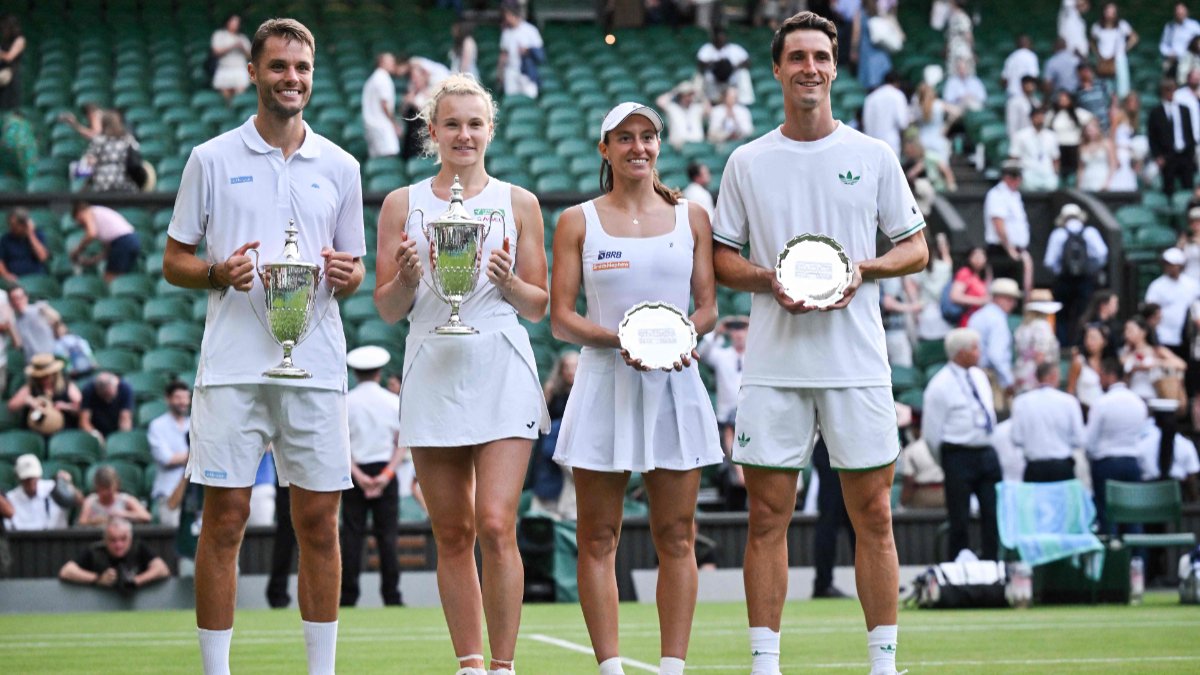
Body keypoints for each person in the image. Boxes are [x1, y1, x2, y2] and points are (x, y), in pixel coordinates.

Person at [711, 13, 928, 675]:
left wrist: (864, 268)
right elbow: (722, 259)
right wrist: (767, 279)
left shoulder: (873, 155)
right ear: (776, 69)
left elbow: (915, 248)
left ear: (835, 67)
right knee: (766, 515)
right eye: (797, 57)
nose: (810, 68)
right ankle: (765, 664)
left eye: (821, 57)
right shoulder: (747, 160)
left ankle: (884, 663)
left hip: (856, 363)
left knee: (875, 514)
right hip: (774, 365)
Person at [162, 18, 365, 675]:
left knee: (319, 525)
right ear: (252, 72)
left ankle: (321, 671)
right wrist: (218, 272)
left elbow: (354, 269)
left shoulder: (342, 165)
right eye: (279, 67)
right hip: (232, 369)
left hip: (316, 367)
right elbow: (174, 260)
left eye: (301, 68)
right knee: (224, 521)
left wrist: (348, 275)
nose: (292, 79)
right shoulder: (210, 158)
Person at [373, 73, 547, 675]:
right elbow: (388, 308)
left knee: (497, 524)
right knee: (452, 531)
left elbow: (538, 303)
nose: (464, 134)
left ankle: (504, 664)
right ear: (433, 132)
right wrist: (407, 278)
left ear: (490, 130)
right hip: (431, 365)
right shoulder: (402, 204)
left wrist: (508, 282)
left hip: (501, 366)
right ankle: (469, 663)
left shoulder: (519, 202)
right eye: (452, 124)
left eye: (475, 124)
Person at [549, 100, 723, 675]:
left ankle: (672, 667)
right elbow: (560, 319)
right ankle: (610, 668)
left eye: (648, 137)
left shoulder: (693, 216)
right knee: (598, 537)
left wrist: (675, 338)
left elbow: (707, 308)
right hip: (603, 383)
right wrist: (617, 341)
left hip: (675, 384)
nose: (638, 148)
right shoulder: (577, 220)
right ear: (605, 149)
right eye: (624, 138)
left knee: (677, 535)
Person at [921, 328, 1001, 561]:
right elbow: (931, 433)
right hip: (958, 454)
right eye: (974, 348)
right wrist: (946, 460)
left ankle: (991, 566)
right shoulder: (940, 385)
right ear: (960, 353)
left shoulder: (980, 377)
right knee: (959, 519)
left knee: (992, 515)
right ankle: (957, 571)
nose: (979, 352)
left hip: (985, 452)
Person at [340, 345, 404, 608]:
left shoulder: (345, 402)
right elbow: (402, 442)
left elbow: (341, 443)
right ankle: (392, 597)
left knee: (352, 538)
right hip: (385, 471)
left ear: (355, 373)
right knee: (387, 537)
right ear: (379, 372)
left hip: (354, 471)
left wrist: (357, 475)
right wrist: (386, 475)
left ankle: (348, 597)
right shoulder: (393, 401)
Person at [1085, 358, 1148, 533]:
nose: (1099, 381)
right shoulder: (1138, 402)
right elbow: (1142, 434)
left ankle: (1112, 559)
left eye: (1101, 376)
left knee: (1106, 515)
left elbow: (1089, 440)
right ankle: (1138, 558)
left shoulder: (1102, 403)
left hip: (1106, 464)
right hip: (1131, 462)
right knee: (1133, 514)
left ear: (1110, 376)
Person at [1045, 203, 1107, 347]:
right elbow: (1102, 255)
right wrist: (1090, 269)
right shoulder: (1090, 232)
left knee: (1062, 316)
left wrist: (1061, 271)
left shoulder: (1058, 234)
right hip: (1085, 281)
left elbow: (1049, 262)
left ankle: (1063, 344)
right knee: (1084, 314)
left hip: (1064, 281)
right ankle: (1081, 344)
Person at [1011, 362, 1085, 482]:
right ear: (1054, 376)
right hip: (1062, 467)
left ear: (1036, 377)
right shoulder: (1069, 402)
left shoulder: (1021, 403)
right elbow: (1079, 439)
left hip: (1034, 468)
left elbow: (1016, 438)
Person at [59, 518, 170, 592]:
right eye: (113, 540)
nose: (118, 545)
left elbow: (162, 569)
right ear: (105, 540)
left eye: (123, 539)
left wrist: (136, 580)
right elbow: (66, 571)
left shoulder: (139, 547)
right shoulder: (95, 550)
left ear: (130, 539)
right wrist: (97, 578)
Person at [530, 350, 578, 520]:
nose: (571, 371)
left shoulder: (582, 391)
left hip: (573, 444)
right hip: (551, 444)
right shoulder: (552, 389)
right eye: (568, 367)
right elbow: (542, 417)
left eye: (575, 367)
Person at [967, 278, 1021, 413]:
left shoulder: (977, 315)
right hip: (991, 377)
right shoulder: (997, 320)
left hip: (975, 374)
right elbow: (996, 355)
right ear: (997, 298)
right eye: (1009, 299)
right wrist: (1008, 381)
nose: (1013, 303)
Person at [810, 437, 854, 598]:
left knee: (858, 524)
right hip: (833, 448)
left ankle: (876, 581)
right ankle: (823, 584)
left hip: (850, 447)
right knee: (829, 520)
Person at [982, 160, 1033, 291]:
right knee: (1004, 290)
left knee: (1018, 291)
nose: (1019, 181)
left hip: (1017, 251)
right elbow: (998, 223)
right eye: (1016, 177)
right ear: (1007, 177)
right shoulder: (997, 194)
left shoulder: (1015, 195)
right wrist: (1010, 249)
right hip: (1002, 251)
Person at [147, 381, 191, 528]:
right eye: (178, 398)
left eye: (186, 398)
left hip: (193, 493)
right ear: (168, 399)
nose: (183, 402)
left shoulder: (194, 423)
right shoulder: (157, 425)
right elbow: (166, 459)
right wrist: (194, 456)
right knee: (171, 535)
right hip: (168, 490)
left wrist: (182, 458)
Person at [7, 352, 81, 434]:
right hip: (36, 431)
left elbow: (82, 408)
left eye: (46, 376)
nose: (43, 380)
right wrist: (27, 401)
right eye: (40, 377)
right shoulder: (30, 387)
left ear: (54, 374)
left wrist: (67, 407)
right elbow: (11, 406)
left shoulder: (67, 385)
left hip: (63, 430)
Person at [68, 201, 142, 283]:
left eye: (78, 219)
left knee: (109, 280)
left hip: (123, 242)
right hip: (133, 241)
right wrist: (92, 261)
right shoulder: (101, 219)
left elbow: (91, 234)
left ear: (79, 213)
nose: (80, 223)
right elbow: (108, 251)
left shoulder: (88, 212)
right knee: (120, 280)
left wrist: (77, 251)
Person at [1145, 247, 1200, 355]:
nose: (1169, 267)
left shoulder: (1192, 284)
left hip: (1188, 336)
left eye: (1172, 264)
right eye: (1166, 264)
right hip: (1164, 335)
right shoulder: (1157, 286)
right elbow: (1150, 310)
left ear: (1180, 265)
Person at [3, 454, 80, 530]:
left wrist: (67, 485)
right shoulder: (10, 498)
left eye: (33, 478)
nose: (30, 482)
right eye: (26, 479)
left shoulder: (54, 487)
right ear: (18, 478)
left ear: (39, 476)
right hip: (23, 540)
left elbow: (80, 501)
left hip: (56, 538)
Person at [1149, 78, 1198, 196]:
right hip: (1167, 156)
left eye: (1172, 90)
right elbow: (1152, 137)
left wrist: (1191, 152)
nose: (1170, 93)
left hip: (1185, 154)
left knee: (1188, 186)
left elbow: (1189, 133)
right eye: (1167, 90)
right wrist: (1158, 156)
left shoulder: (1184, 110)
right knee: (1168, 188)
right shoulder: (1156, 113)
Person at [1121, 315, 1186, 401]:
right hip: (1132, 395)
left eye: (1131, 330)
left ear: (1143, 332)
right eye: (1126, 330)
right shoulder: (1125, 352)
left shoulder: (1157, 351)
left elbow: (1181, 364)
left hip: (1154, 395)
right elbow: (1124, 365)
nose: (1127, 334)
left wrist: (1157, 363)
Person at [80, 111, 142, 193]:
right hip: (124, 187)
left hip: (102, 186)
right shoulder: (128, 139)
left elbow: (88, 163)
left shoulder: (98, 140)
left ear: (103, 124)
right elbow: (137, 157)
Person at [496, 1, 544, 99]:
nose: (506, 18)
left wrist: (527, 51)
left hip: (527, 71)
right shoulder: (506, 33)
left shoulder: (530, 30)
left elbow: (540, 54)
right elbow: (504, 53)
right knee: (511, 98)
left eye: (508, 14)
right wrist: (500, 72)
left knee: (529, 98)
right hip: (511, 71)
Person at [77, 465, 152, 527]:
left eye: (109, 490)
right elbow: (81, 522)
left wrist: (123, 514)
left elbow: (146, 517)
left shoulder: (125, 499)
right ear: (97, 487)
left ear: (116, 486)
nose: (106, 493)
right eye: (103, 489)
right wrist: (94, 521)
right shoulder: (91, 501)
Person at [1091, 2, 1138, 99]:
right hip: (1103, 60)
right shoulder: (1097, 27)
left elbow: (1134, 37)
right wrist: (1097, 54)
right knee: (1105, 87)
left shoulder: (1122, 25)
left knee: (1122, 88)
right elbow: (1092, 41)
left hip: (1118, 59)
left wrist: (1124, 49)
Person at [697, 26, 754, 105]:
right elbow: (701, 64)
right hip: (714, 77)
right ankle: (712, 99)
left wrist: (733, 67)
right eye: (718, 37)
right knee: (705, 75)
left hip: (731, 76)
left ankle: (744, 101)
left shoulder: (735, 48)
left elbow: (747, 62)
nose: (721, 39)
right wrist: (717, 64)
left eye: (723, 37)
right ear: (714, 38)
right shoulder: (707, 48)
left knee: (743, 73)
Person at [362, 53, 402, 159]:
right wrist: (394, 124)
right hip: (382, 125)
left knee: (377, 159)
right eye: (391, 61)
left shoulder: (373, 78)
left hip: (372, 125)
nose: (394, 64)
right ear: (382, 63)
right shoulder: (383, 78)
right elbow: (384, 104)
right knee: (389, 157)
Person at [1011, 106, 1061, 191]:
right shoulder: (1021, 135)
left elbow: (1055, 158)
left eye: (1042, 117)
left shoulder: (1051, 136)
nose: (1040, 119)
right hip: (1028, 173)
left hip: (1047, 174)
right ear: (1031, 118)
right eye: (1038, 116)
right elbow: (1014, 157)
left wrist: (1056, 174)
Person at [861, 70, 909, 157]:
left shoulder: (871, 97)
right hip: (891, 143)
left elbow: (866, 122)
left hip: (872, 143)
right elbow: (902, 123)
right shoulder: (898, 95)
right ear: (897, 83)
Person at [7, 285, 58, 362]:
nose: (17, 302)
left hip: (51, 356)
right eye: (13, 300)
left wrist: (46, 309)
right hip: (33, 362)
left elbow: (56, 319)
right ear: (10, 303)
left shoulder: (39, 309)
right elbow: (18, 345)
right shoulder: (14, 322)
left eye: (20, 298)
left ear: (26, 297)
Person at [79, 371, 134, 440]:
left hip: (116, 428)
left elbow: (125, 419)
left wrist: (122, 439)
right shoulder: (88, 390)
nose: (108, 400)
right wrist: (95, 435)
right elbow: (84, 421)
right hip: (97, 428)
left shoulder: (125, 388)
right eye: (105, 396)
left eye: (110, 395)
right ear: (97, 389)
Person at [210, 14, 252, 103]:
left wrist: (242, 48)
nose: (235, 24)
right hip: (224, 68)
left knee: (240, 98)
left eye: (237, 22)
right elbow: (216, 52)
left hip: (239, 69)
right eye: (233, 21)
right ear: (227, 22)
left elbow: (250, 56)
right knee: (226, 99)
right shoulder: (219, 35)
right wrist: (232, 46)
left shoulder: (242, 38)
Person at [1066, 322, 1108, 414]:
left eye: (1094, 338)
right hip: (1084, 412)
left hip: (1104, 413)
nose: (1090, 342)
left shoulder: (1108, 364)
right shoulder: (1078, 362)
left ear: (1104, 341)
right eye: (1087, 337)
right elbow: (1070, 390)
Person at [0, 207, 49, 282]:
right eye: (10, 225)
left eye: (15, 225)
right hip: (14, 280)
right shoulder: (5, 239)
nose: (12, 228)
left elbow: (42, 257)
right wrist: (6, 275)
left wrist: (31, 234)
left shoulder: (38, 235)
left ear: (24, 224)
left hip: (36, 279)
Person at [656, 81, 708, 150]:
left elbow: (708, 109)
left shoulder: (696, 108)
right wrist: (676, 91)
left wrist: (699, 93)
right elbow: (660, 101)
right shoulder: (673, 108)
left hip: (698, 144)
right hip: (679, 145)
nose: (688, 98)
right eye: (686, 95)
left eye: (691, 95)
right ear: (680, 96)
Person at [1160, 2, 1200, 78]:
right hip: (1174, 59)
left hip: (1190, 60)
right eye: (1178, 12)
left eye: (1181, 12)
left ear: (1186, 12)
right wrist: (1169, 53)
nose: (1179, 14)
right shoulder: (1170, 27)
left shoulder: (1194, 26)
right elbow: (1164, 45)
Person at [0, 14, 25, 113]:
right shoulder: (4, 41)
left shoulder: (20, 40)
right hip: (2, 71)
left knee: (9, 105)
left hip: (11, 75)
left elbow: (10, 57)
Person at [1002, 34, 1040, 99]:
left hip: (1012, 94)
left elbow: (1004, 80)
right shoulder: (1031, 56)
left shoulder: (1011, 57)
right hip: (1025, 95)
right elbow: (1033, 77)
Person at [1005, 76, 1039, 141]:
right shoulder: (1014, 102)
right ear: (1022, 86)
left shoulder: (1036, 102)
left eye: (1032, 84)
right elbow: (1012, 125)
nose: (1030, 86)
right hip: (1021, 138)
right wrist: (1014, 142)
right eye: (1028, 84)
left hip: (1033, 138)